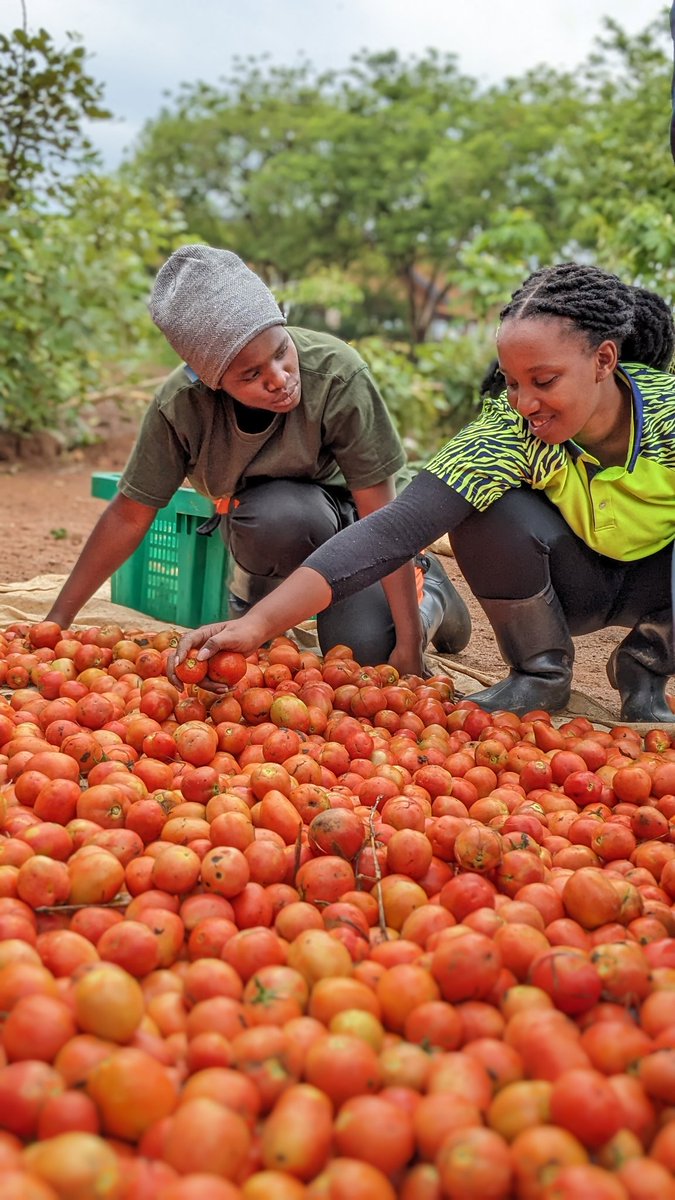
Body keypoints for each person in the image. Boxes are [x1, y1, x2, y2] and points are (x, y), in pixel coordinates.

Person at [171, 262, 675, 723]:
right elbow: (393, 529)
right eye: (512, 383)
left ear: (605, 360)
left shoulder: (667, 415)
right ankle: (540, 673)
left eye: (543, 380)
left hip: (660, 588)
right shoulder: (509, 430)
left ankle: (646, 666)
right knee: (482, 505)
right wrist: (256, 625)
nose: (525, 403)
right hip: (574, 588)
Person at [46, 244, 470, 672]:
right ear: (209, 380)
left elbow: (383, 516)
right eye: (251, 375)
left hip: (359, 529)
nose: (281, 379)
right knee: (278, 516)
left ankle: (428, 589)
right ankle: (263, 605)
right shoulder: (180, 408)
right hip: (272, 530)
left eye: (282, 351)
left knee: (368, 656)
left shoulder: (338, 374)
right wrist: (56, 624)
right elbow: (128, 515)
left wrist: (410, 643)